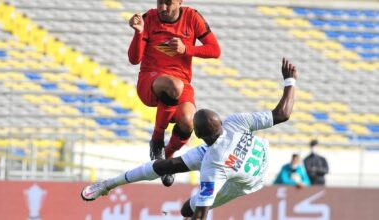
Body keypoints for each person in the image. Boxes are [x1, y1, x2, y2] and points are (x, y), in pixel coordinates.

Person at [82, 58, 297, 220]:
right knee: (166, 166)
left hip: (249, 181)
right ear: (220, 122)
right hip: (242, 157)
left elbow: (201, 214)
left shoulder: (213, 165)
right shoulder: (235, 122)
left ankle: (111, 185)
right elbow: (282, 114)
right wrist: (290, 80)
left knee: (188, 209)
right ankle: (108, 184)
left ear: (200, 137)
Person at [128, 0, 221, 187]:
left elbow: (215, 50)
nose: (162, 8)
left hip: (181, 82)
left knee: (188, 121)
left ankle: (167, 159)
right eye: (159, 2)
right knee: (174, 86)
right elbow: (134, 59)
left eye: (168, 3)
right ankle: (157, 140)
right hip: (151, 80)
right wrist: (138, 33)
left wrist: (187, 49)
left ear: (180, 1)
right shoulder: (149, 18)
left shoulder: (193, 17)